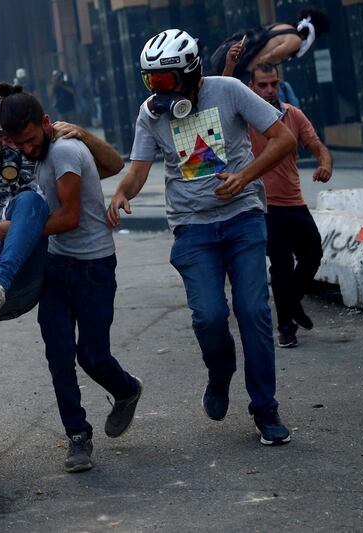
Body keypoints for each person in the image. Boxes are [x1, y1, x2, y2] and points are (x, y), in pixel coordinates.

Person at [109, 29, 297, 446]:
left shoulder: (228, 91)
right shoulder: (151, 113)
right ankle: (220, 372)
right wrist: (122, 191)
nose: (157, 90)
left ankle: (265, 409)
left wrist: (245, 176)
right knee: (209, 316)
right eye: (150, 81)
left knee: (253, 311)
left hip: (243, 217)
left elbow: (284, 139)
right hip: (192, 227)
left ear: (191, 73)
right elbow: (140, 167)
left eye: (165, 80)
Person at [0, 83, 141, 473]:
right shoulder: (41, 151)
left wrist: (19, 230)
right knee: (59, 355)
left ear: (45, 123)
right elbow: (108, 167)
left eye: (29, 140)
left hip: (93, 267)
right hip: (57, 267)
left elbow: (69, 217)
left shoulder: (63, 149)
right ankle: (78, 436)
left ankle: (126, 389)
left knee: (91, 356)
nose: (26, 149)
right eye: (18, 143)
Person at [247, 63, 332, 348]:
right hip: (264, 205)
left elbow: (317, 144)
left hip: (294, 201)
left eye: (274, 84)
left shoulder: (292, 114)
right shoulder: (244, 118)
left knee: (313, 253)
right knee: (281, 265)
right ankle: (286, 326)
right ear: (251, 86)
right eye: (263, 85)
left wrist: (325, 163)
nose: (270, 90)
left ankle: (292, 302)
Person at [214, 6, 330, 79]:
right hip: (244, 72)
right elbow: (267, 59)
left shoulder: (282, 26)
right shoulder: (295, 41)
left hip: (237, 67)